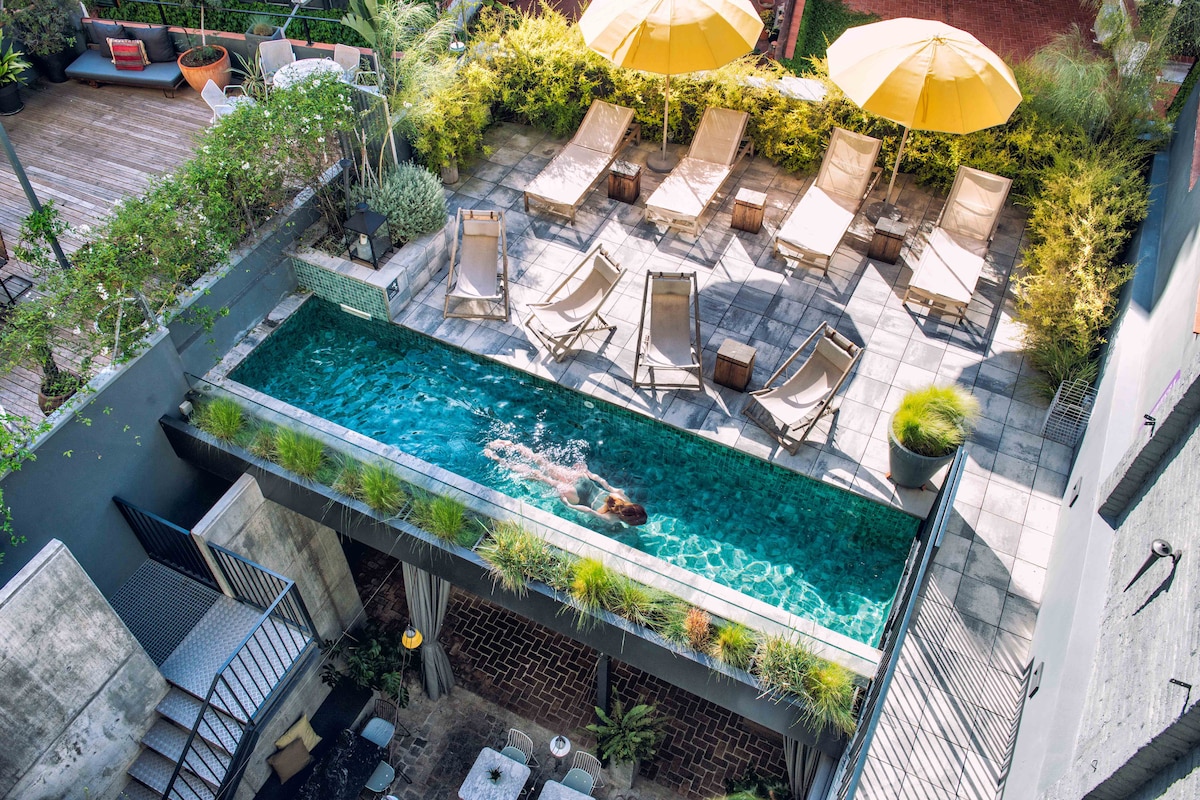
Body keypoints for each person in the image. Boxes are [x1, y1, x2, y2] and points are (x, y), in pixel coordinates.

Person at [483, 438, 648, 526]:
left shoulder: (621, 496)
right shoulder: (612, 520)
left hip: (584, 482)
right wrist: (569, 505)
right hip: (576, 496)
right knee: (537, 475)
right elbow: (588, 511)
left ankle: (511, 445)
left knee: (543, 462)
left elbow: (603, 482)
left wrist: (588, 472)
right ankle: (498, 459)